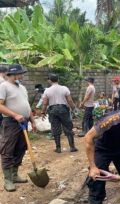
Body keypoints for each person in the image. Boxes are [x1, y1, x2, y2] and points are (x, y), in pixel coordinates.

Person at [0, 64, 36, 192]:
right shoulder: (4, 86)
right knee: (7, 150)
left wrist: (32, 121)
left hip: (24, 122)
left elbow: (26, 106)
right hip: (10, 122)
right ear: (12, 74)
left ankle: (15, 175)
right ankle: (8, 180)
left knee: (21, 148)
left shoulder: (22, 87)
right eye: (20, 74)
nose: (22, 76)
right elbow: (0, 105)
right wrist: (15, 115)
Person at [41, 74, 78, 153]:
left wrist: (43, 112)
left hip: (52, 110)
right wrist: (73, 108)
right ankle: (72, 147)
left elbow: (44, 103)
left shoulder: (47, 90)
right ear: (58, 80)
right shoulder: (64, 88)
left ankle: (58, 148)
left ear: (50, 81)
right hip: (63, 109)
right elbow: (70, 100)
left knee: (55, 128)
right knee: (68, 127)